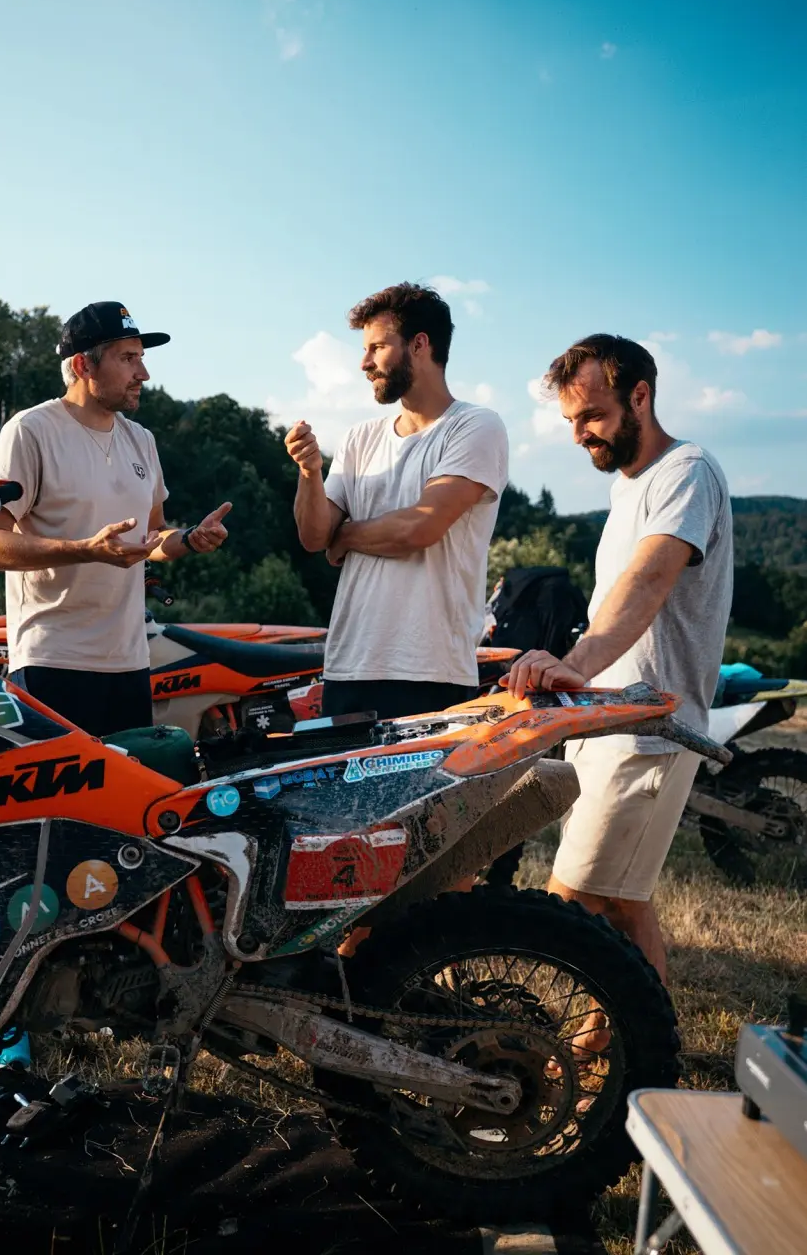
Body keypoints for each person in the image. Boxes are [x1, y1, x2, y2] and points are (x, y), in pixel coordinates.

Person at [504, 333, 733, 985]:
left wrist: (576, 660)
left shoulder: (686, 471)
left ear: (640, 395)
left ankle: (563, 1060)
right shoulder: (629, 487)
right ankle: (643, 1060)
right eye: (570, 420)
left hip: (649, 733)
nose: (579, 434)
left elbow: (648, 581)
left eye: (592, 415)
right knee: (624, 908)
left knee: (568, 907)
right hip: (609, 725)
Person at [0, 300, 232, 736]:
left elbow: (152, 537)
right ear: (83, 364)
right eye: (128, 359)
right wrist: (85, 550)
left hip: (130, 662)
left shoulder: (142, 440)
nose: (143, 374)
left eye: (142, 359)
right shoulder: (30, 431)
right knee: (60, 807)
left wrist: (187, 539)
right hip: (51, 661)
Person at [285, 282, 509, 723]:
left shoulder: (476, 427)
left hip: (428, 672)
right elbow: (314, 538)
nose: (364, 363)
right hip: (347, 666)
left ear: (420, 345)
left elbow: (418, 529)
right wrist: (309, 473)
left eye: (378, 347)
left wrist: (345, 536)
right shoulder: (359, 437)